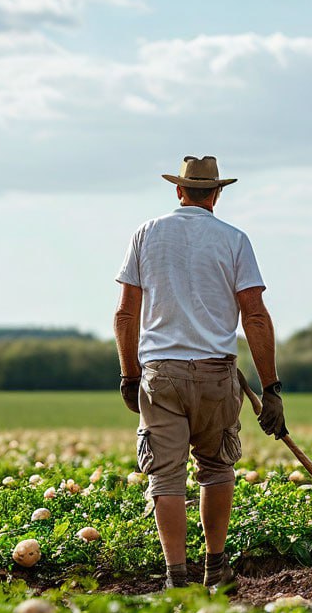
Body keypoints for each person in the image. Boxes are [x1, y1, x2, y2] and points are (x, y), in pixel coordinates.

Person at [113, 155, 286, 590]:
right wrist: (272, 388)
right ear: (217, 194)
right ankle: (215, 567)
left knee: (166, 476)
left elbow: (125, 315)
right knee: (216, 469)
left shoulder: (146, 235)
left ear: (179, 191)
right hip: (216, 375)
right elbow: (256, 317)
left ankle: (176, 576)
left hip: (161, 375)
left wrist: (130, 375)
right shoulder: (234, 239)